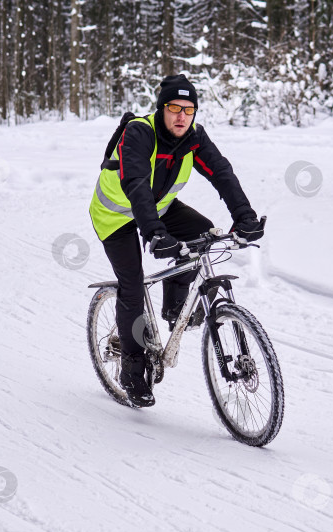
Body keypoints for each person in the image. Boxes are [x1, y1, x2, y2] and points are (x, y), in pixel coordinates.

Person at [89, 74, 264, 407]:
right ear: (161, 109)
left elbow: (221, 172)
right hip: (115, 217)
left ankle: (174, 306)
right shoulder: (140, 133)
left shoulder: (193, 138)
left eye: (189, 109)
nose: (182, 116)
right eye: (174, 108)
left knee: (203, 235)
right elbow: (137, 184)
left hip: (158, 208)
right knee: (133, 285)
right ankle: (133, 366)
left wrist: (245, 216)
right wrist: (154, 233)